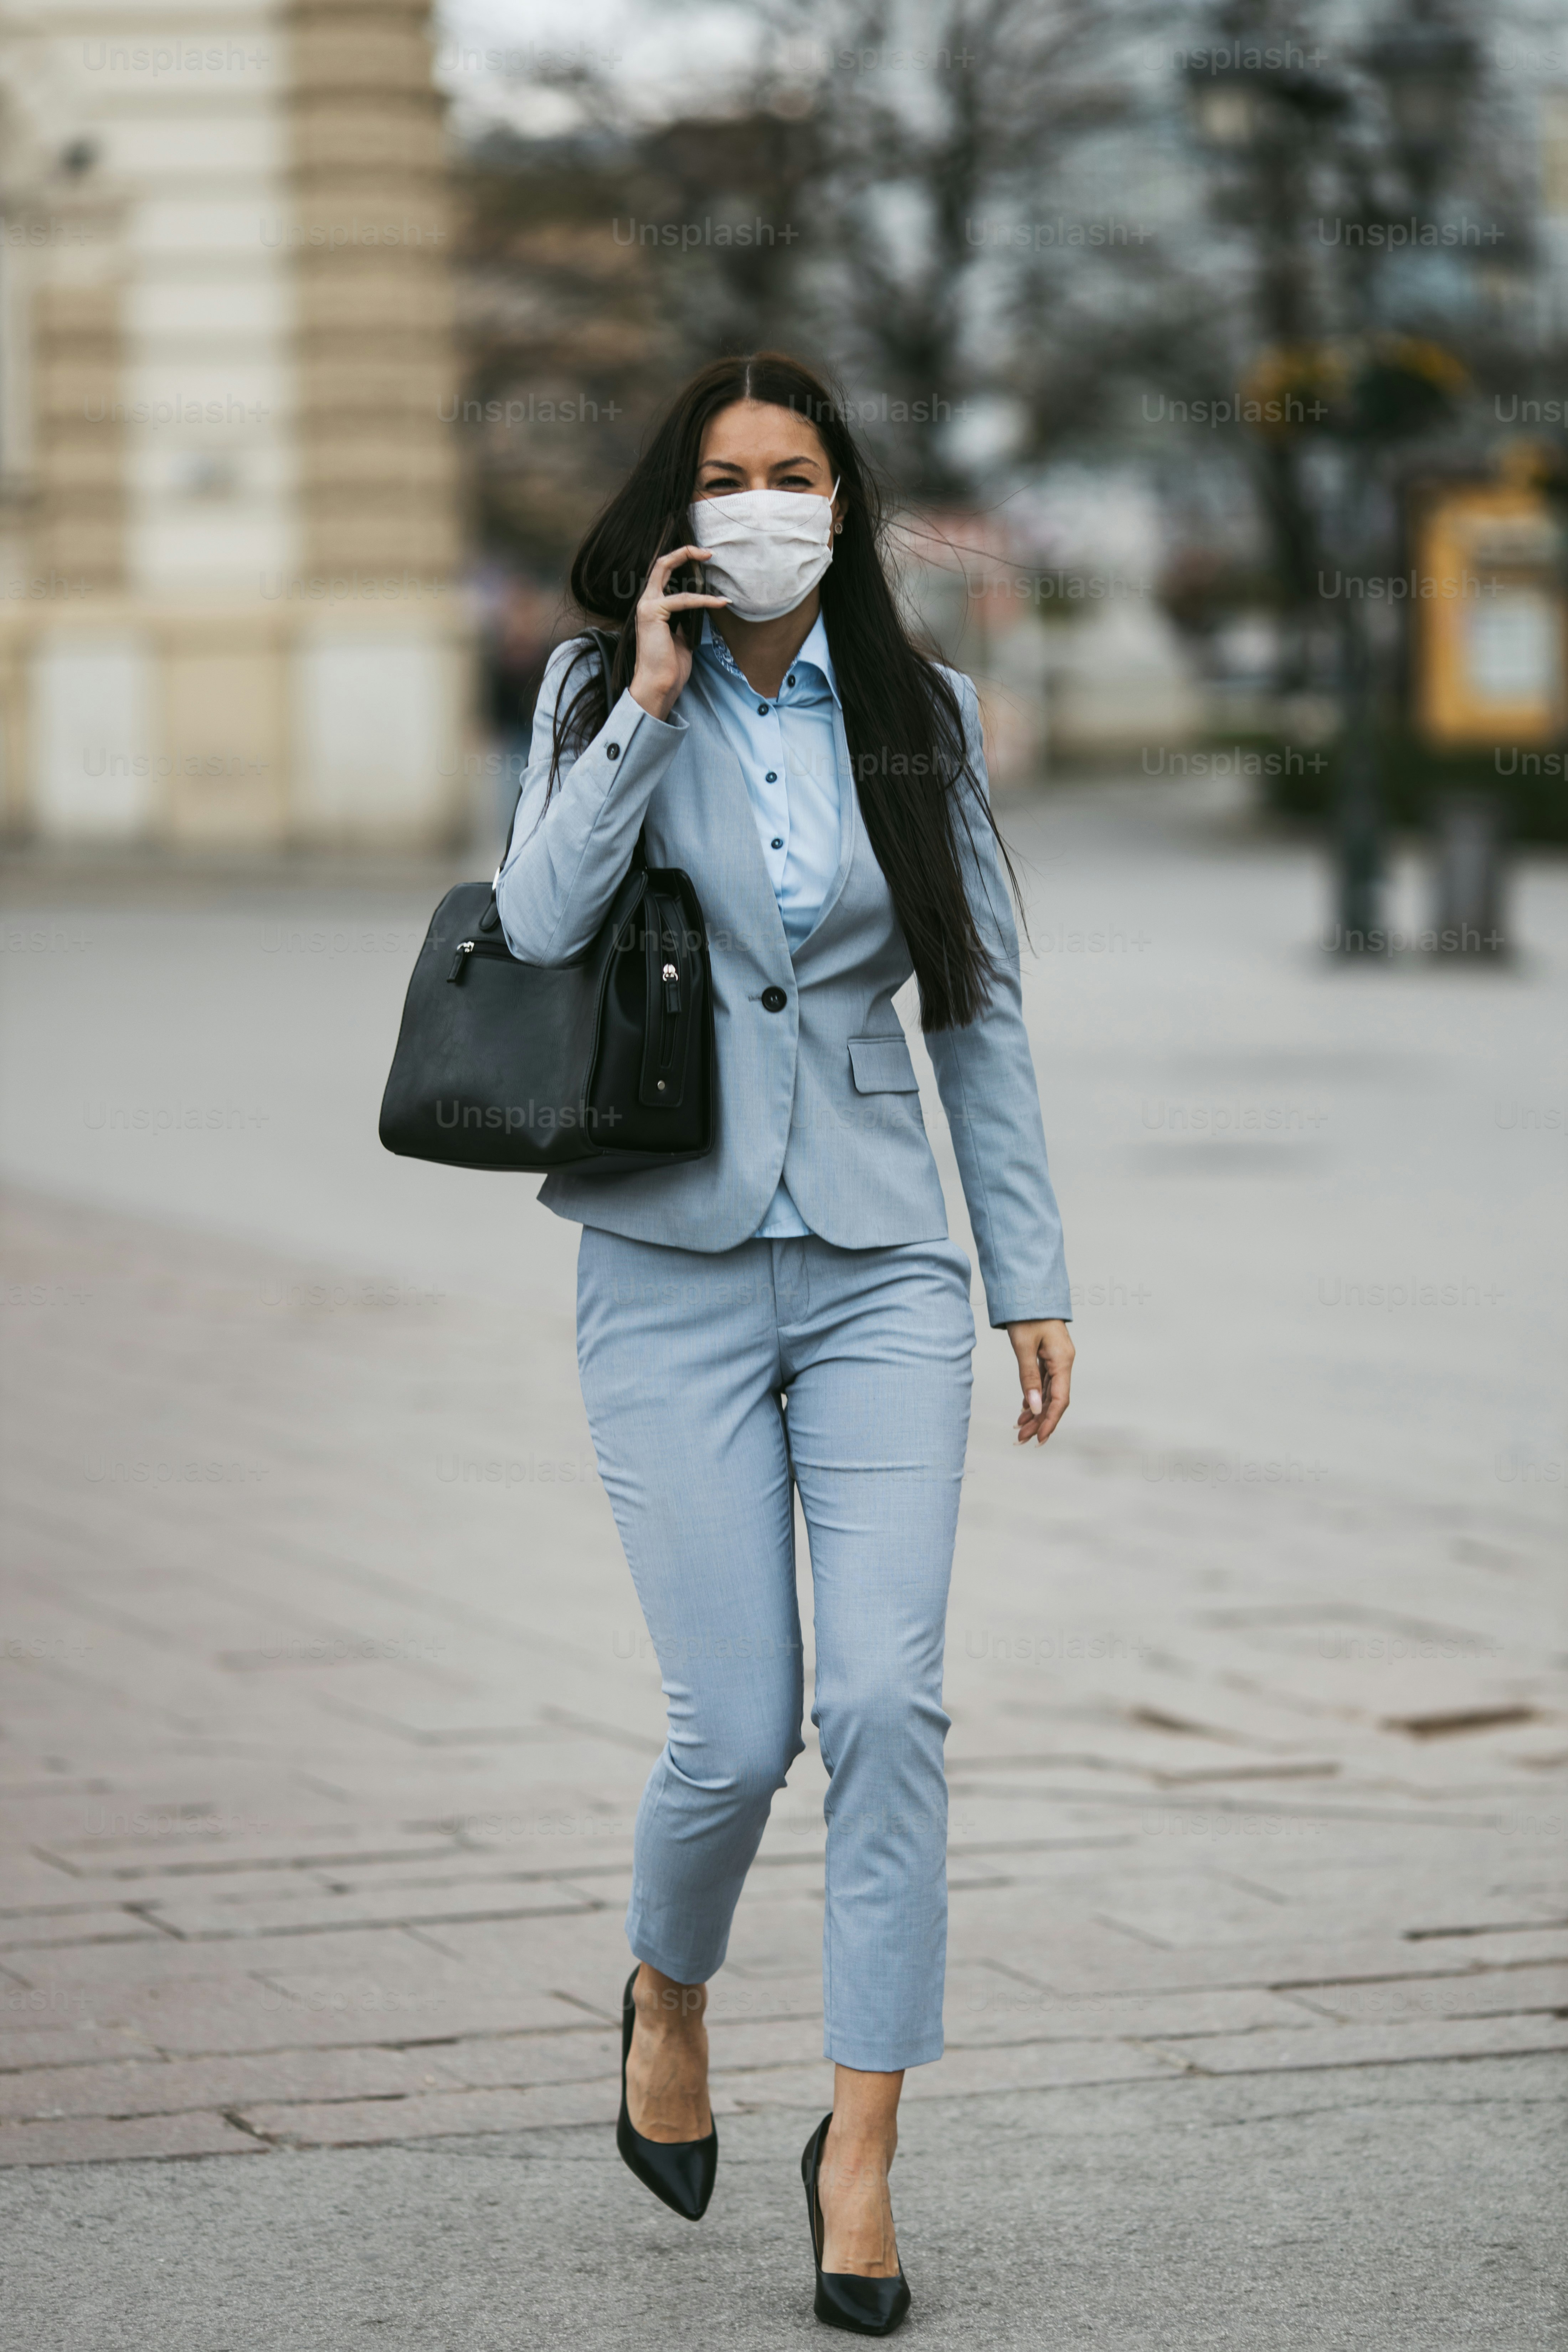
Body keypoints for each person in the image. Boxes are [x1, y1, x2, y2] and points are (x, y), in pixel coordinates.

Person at [495, 352, 1072, 2337]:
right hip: (661, 1261)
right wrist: (647, 710)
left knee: (890, 1705)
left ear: (847, 497)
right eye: (729, 477)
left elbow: (974, 1009)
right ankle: (668, 1982)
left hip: (880, 1268)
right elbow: (539, 918)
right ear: (682, 503)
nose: (763, 505)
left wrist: (1030, 1270)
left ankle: (866, 2154)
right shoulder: (592, 694)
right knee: (734, 1733)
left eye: (797, 474)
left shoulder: (926, 714)